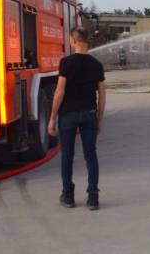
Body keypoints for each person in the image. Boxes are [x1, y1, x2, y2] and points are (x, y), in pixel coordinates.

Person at [48, 27, 106, 210]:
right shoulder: (96, 64)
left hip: (68, 116)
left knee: (67, 156)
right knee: (91, 155)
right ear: (86, 41)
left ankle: (68, 195)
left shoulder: (65, 63)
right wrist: (100, 119)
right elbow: (102, 95)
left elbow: (59, 91)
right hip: (89, 114)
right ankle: (93, 197)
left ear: (74, 41)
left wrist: (52, 118)